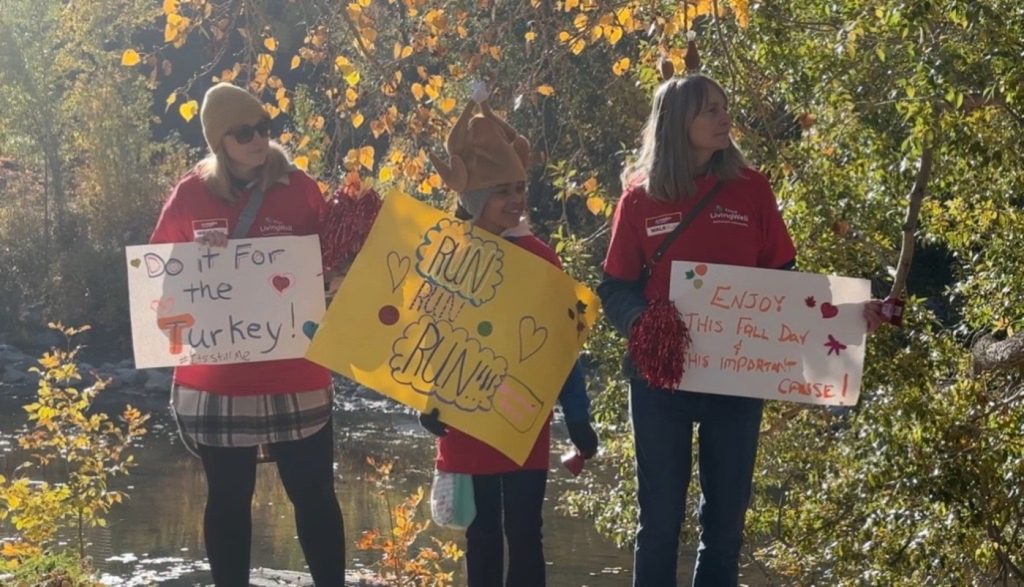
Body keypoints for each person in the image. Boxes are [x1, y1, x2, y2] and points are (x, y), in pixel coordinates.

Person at [597, 73, 885, 587]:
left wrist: (852, 311)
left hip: (736, 379)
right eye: (709, 109)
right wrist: (643, 322)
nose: (723, 117)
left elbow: (786, 287)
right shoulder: (639, 198)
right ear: (676, 122)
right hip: (660, 382)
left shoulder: (752, 188)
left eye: (724, 107)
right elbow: (614, 289)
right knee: (659, 524)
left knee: (725, 527)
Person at [149, 82, 346, 587]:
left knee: (315, 494)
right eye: (244, 132)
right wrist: (195, 262)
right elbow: (158, 274)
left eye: (263, 127)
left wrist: (338, 277)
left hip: (295, 370)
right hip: (217, 378)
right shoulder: (191, 194)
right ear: (220, 142)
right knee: (229, 498)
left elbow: (333, 257)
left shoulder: (299, 187)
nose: (258, 139)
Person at [419, 87, 600, 587]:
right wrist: (427, 397)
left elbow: (562, 347)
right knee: (480, 535)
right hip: (466, 417)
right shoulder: (448, 255)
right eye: (503, 192)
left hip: (522, 417)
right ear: (475, 199)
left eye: (520, 189)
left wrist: (578, 416)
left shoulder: (542, 260)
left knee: (525, 532)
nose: (517, 200)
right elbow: (430, 336)